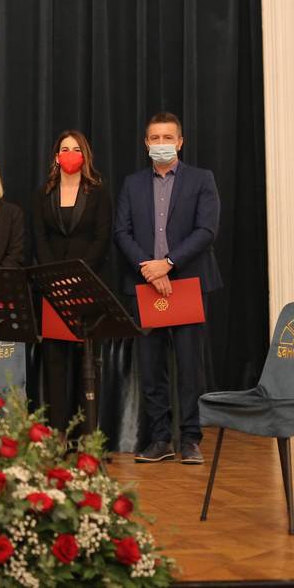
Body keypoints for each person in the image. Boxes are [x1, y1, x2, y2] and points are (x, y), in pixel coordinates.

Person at [115, 112, 222, 465]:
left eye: (168, 137)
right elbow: (121, 232)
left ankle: (190, 438)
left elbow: (206, 230)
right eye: (155, 138)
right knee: (151, 366)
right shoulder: (132, 184)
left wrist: (169, 263)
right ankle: (160, 438)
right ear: (146, 143)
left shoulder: (201, 179)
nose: (161, 143)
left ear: (180, 142)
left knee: (190, 366)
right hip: (146, 284)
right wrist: (150, 268)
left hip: (188, 282)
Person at [30, 131, 113, 432]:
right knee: (55, 361)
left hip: (88, 285)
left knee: (87, 361)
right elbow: (39, 238)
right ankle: (58, 433)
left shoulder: (99, 193)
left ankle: (86, 435)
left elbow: (102, 239)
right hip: (53, 288)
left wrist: (78, 275)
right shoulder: (43, 194)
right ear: (56, 157)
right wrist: (55, 279)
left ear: (85, 155)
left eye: (76, 149)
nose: (70, 154)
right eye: (64, 149)